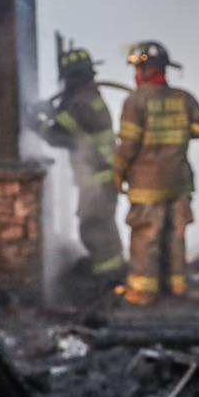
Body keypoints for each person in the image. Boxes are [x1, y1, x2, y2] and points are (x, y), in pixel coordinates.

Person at [113, 40, 199, 305]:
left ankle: (143, 291)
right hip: (179, 180)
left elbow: (128, 146)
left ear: (144, 70)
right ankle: (176, 285)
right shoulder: (185, 99)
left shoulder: (135, 101)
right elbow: (197, 131)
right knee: (175, 234)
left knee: (146, 235)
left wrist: (117, 173)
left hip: (147, 184)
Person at [32, 46, 125, 283]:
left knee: (93, 224)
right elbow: (74, 128)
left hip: (95, 174)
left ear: (71, 77)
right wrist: (52, 112)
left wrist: (37, 124)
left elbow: (60, 136)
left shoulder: (79, 102)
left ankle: (106, 275)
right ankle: (111, 268)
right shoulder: (89, 97)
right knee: (103, 223)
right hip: (102, 172)